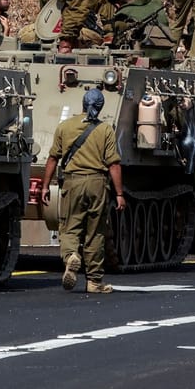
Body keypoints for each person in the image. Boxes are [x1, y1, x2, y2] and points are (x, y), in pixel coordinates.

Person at [41, 85, 124, 294]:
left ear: (83, 104)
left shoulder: (65, 127)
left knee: (69, 227)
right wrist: (120, 194)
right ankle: (94, 281)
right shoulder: (105, 129)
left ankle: (71, 256)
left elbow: (53, 158)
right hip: (97, 184)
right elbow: (113, 164)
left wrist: (44, 186)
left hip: (72, 182)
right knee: (95, 233)